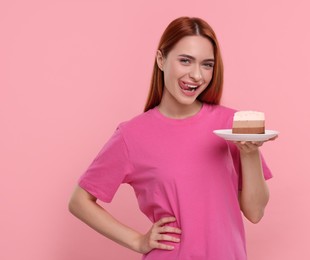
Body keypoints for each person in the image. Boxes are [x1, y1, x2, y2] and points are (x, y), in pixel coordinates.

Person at [69, 16, 275, 260]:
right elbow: (79, 201)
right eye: (185, 61)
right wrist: (137, 240)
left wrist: (249, 152)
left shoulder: (232, 125)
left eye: (207, 64)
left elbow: (255, 212)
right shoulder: (131, 135)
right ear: (161, 60)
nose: (197, 75)